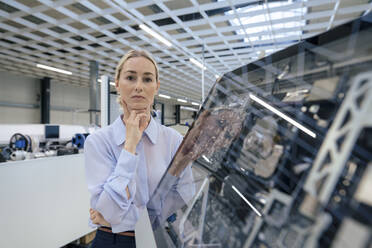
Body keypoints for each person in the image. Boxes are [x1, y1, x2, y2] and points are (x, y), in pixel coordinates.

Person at [84, 50, 194, 248]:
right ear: (117, 83)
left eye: (147, 79)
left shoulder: (173, 141)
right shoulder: (98, 142)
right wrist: (130, 146)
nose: (139, 87)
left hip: (160, 236)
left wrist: (121, 218)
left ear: (156, 87)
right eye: (130, 77)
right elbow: (107, 209)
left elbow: (185, 193)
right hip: (113, 241)